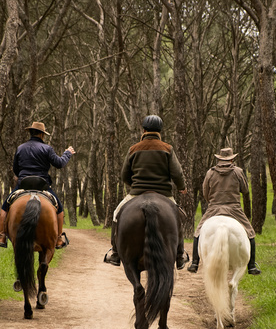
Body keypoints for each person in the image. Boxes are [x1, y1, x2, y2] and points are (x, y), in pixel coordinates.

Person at [104, 114, 189, 269]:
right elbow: (177, 173)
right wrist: (182, 187)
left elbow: (124, 175)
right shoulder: (167, 149)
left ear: (143, 130)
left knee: (117, 213)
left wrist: (134, 185)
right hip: (164, 193)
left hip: (137, 192)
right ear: (160, 131)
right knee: (178, 217)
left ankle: (115, 253)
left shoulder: (133, 149)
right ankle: (180, 254)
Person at [0, 121, 75, 250]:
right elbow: (59, 163)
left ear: (30, 132)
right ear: (42, 135)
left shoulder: (20, 148)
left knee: (5, 207)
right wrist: (67, 153)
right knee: (59, 209)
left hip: (23, 183)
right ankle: (59, 238)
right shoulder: (47, 148)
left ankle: (2, 236)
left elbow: (16, 169)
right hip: (42, 184)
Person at [187, 147, 261, 275]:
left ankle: (194, 263)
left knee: (198, 232)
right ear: (232, 158)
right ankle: (252, 266)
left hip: (214, 207)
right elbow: (245, 190)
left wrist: (212, 201)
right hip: (234, 208)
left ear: (219, 159)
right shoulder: (238, 172)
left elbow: (205, 192)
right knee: (250, 233)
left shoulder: (210, 172)